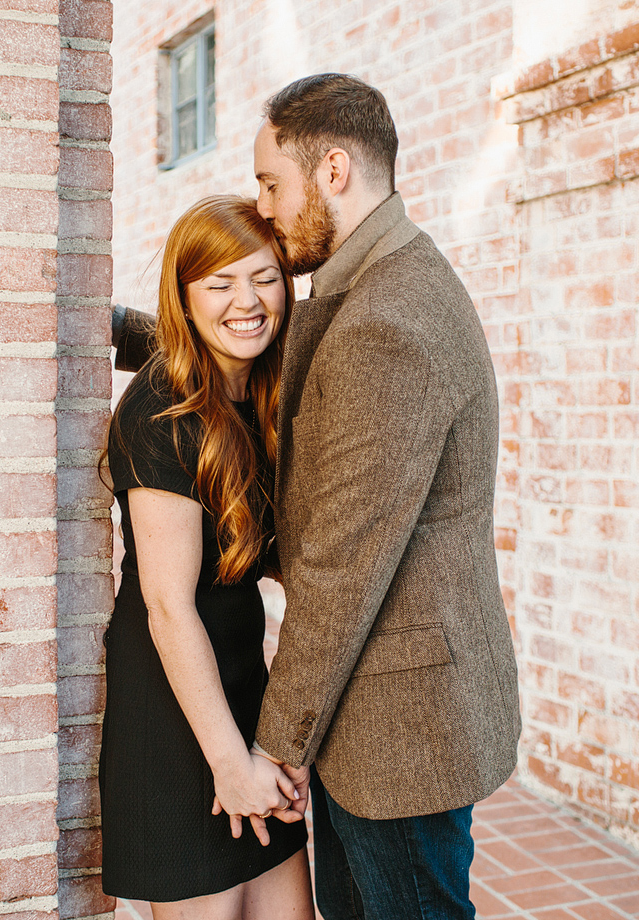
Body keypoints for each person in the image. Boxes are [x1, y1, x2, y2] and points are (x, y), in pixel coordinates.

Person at [247, 73, 520, 920]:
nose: (261, 210)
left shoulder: (385, 324)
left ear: (332, 171)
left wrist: (274, 744)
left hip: (396, 731)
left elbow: (338, 566)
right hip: (389, 710)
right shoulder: (376, 278)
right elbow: (285, 365)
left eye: (270, 185)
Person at [102, 195, 314, 919]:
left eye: (264, 278)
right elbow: (167, 607)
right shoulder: (159, 409)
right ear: (184, 299)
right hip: (175, 706)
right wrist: (228, 761)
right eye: (220, 285)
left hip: (242, 688)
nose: (246, 302)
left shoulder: (261, 394)